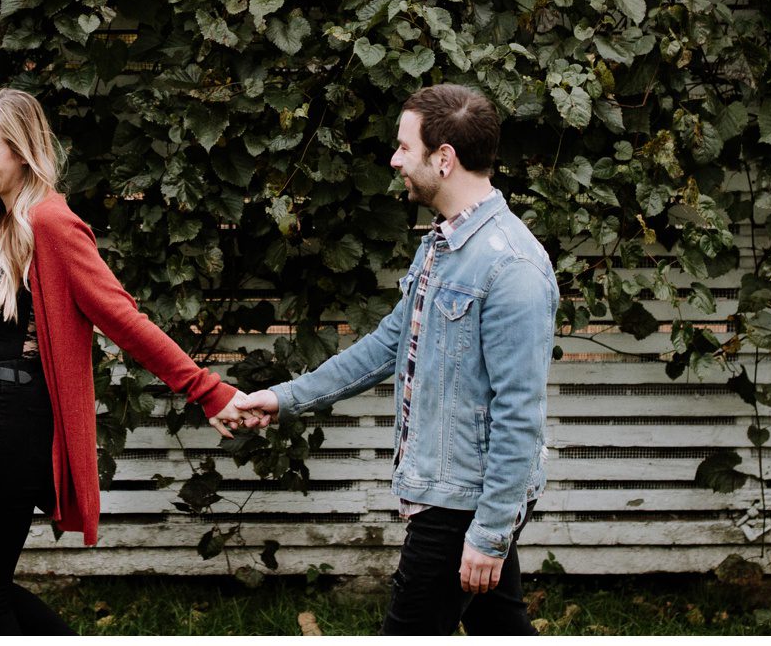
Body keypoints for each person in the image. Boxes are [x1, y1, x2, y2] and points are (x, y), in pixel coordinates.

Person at [0, 87, 251, 634]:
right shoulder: (7, 222)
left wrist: (206, 390)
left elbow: (123, 318)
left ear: (22, 150)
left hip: (17, 424)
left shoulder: (52, 223)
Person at [232, 84, 558, 636]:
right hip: (453, 490)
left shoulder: (512, 269)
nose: (394, 160)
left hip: (462, 501)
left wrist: (490, 532)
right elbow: (388, 344)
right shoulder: (443, 246)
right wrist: (283, 397)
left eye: (404, 147)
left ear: (444, 158)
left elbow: (519, 415)